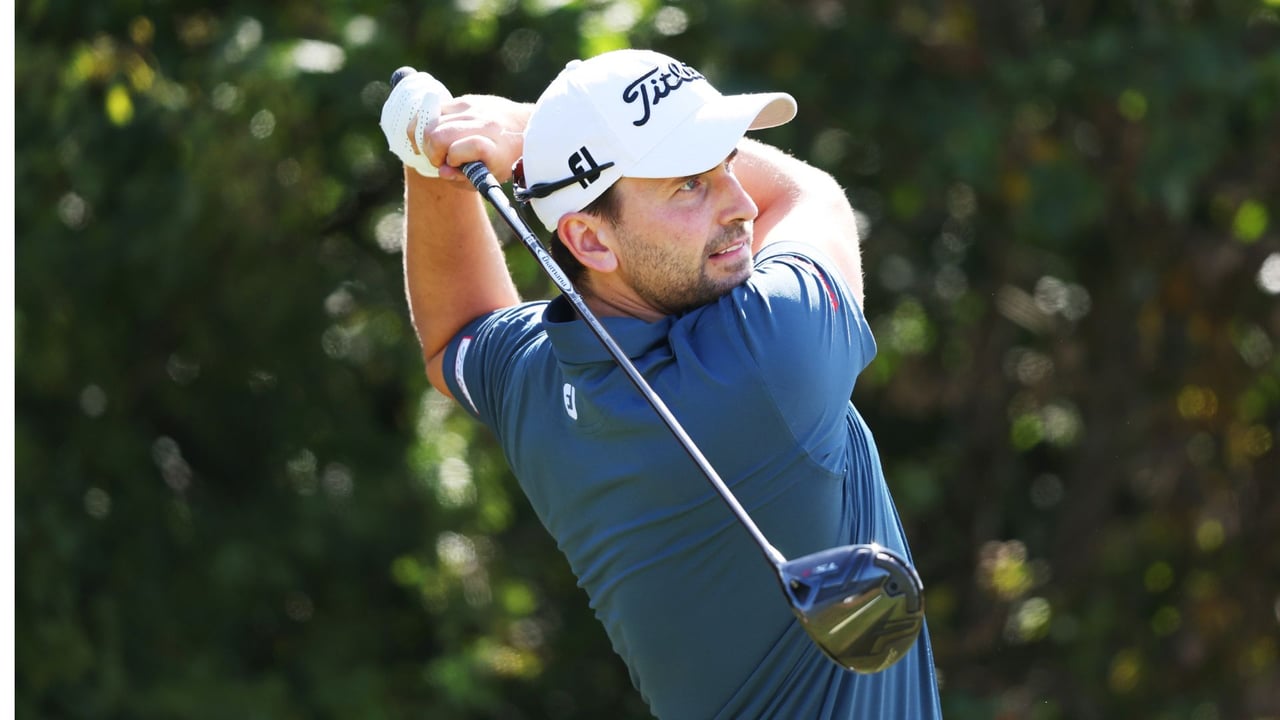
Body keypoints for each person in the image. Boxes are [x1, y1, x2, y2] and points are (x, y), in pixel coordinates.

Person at [380, 49, 942, 719]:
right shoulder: (772, 352)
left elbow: (456, 336)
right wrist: (525, 131)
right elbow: (802, 193)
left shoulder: (537, 381)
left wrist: (432, 167)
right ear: (589, 241)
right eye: (688, 184)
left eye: (728, 161)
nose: (739, 205)